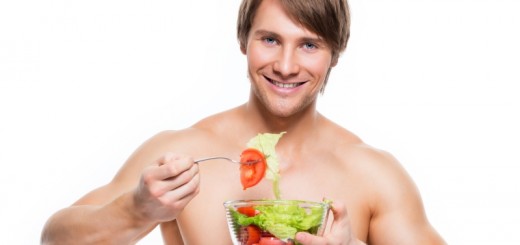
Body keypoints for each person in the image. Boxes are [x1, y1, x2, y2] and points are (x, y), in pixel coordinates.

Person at [41, 0, 446, 244]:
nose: (285, 66)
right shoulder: (184, 153)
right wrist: (136, 209)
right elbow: (53, 240)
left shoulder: (372, 174)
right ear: (243, 40)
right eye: (269, 39)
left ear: (334, 54)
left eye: (308, 45)